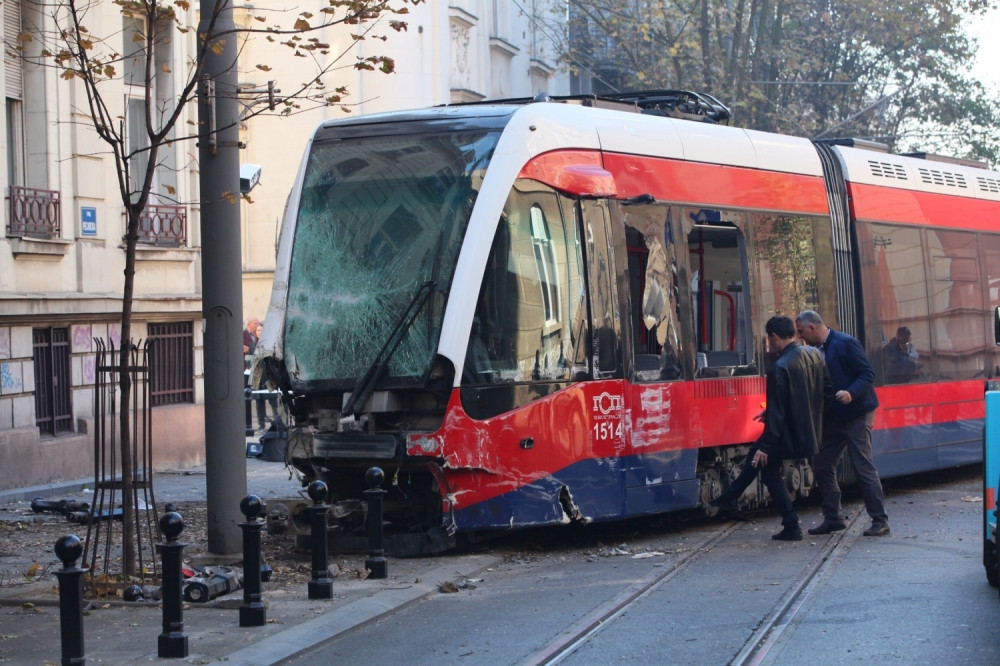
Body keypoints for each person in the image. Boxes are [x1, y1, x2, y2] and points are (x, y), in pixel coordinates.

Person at [710, 315, 833, 541]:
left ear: (774, 337)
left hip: (787, 432)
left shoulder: (779, 366)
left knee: (765, 466)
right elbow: (823, 391)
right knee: (756, 460)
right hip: (810, 430)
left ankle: (791, 524)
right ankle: (731, 496)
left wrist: (766, 446)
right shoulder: (814, 354)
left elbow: (777, 414)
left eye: (769, 339)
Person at [795, 310, 890, 537]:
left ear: (812, 328)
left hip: (856, 412)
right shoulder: (813, 351)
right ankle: (833, 518)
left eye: (801, 332)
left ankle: (880, 520)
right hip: (833, 416)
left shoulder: (845, 343)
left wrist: (851, 393)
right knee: (822, 464)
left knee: (863, 466)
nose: (800, 337)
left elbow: (867, 374)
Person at [254, 321, 277, 432]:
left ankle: (278, 422)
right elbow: (250, 360)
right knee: (259, 402)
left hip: (268, 375)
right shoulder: (253, 345)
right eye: (258, 330)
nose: (259, 332)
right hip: (257, 376)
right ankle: (261, 425)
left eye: (261, 330)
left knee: (273, 400)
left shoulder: (270, 343)